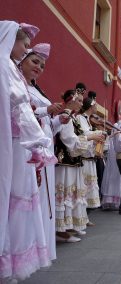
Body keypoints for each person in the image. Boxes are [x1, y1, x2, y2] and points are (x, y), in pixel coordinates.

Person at [0, 21, 58, 281]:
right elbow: (21, 110)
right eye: (24, 44)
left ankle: (10, 258)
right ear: (12, 40)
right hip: (14, 144)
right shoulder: (6, 68)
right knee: (12, 199)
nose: (26, 48)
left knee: (16, 202)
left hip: (18, 142)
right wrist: (37, 145)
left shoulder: (9, 68)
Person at [20, 42, 70, 261]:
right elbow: (21, 112)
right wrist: (45, 110)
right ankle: (26, 248)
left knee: (43, 196)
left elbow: (46, 124)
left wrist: (58, 119)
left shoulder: (36, 89)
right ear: (21, 61)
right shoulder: (17, 85)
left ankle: (41, 248)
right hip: (28, 150)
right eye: (34, 61)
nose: (39, 67)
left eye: (42, 64)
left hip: (44, 149)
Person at [55, 90, 102, 241]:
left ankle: (69, 226)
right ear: (72, 100)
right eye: (80, 101)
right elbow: (70, 140)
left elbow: (77, 139)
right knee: (65, 195)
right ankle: (60, 230)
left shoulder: (73, 118)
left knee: (73, 195)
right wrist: (91, 137)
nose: (82, 104)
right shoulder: (66, 117)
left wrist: (91, 139)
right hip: (66, 162)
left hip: (73, 162)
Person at [77, 96, 103, 223]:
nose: (97, 107)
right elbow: (83, 135)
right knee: (84, 188)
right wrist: (96, 134)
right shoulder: (80, 118)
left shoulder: (86, 119)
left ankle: (85, 216)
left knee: (88, 188)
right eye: (95, 105)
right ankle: (82, 216)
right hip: (84, 159)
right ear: (91, 106)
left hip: (90, 158)